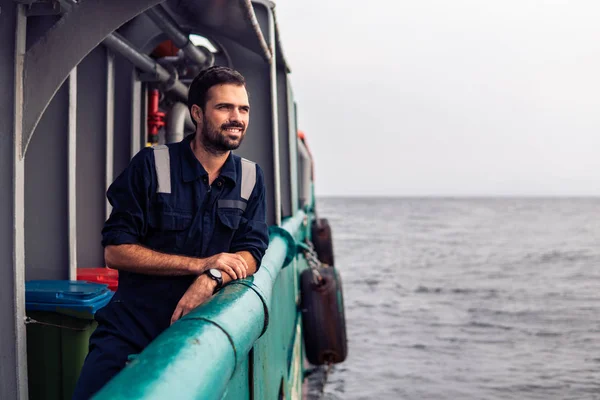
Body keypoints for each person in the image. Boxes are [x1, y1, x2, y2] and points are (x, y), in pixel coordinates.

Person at [72, 66, 269, 399]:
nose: (237, 117)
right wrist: (198, 264)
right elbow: (116, 250)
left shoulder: (251, 178)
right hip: (129, 330)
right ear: (197, 113)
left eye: (243, 109)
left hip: (199, 335)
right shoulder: (151, 165)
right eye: (224, 107)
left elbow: (252, 251)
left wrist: (211, 277)